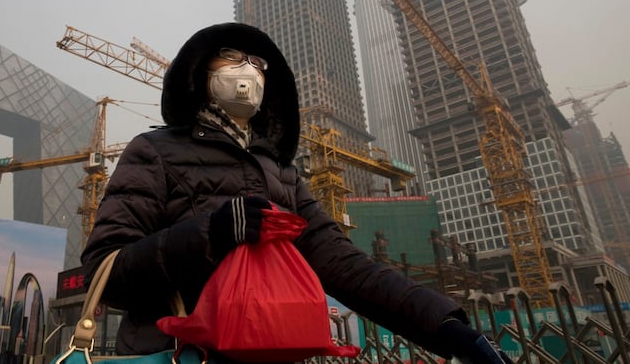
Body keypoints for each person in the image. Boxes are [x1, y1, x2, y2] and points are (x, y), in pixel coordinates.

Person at [81, 22, 512, 363]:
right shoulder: (155, 150)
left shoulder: (280, 171)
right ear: (199, 71)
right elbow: (106, 271)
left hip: (272, 353)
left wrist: (446, 326)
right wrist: (209, 234)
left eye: (256, 62)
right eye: (230, 57)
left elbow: (344, 264)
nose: (247, 69)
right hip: (178, 354)